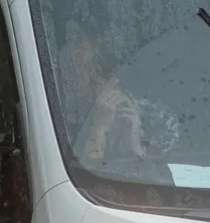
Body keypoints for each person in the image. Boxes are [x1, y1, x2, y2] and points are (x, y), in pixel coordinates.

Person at [57, 23, 146, 162]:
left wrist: (135, 145)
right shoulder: (65, 119)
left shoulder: (150, 118)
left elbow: (156, 175)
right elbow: (85, 175)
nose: (76, 76)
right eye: (74, 67)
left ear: (112, 79)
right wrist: (98, 130)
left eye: (85, 67)